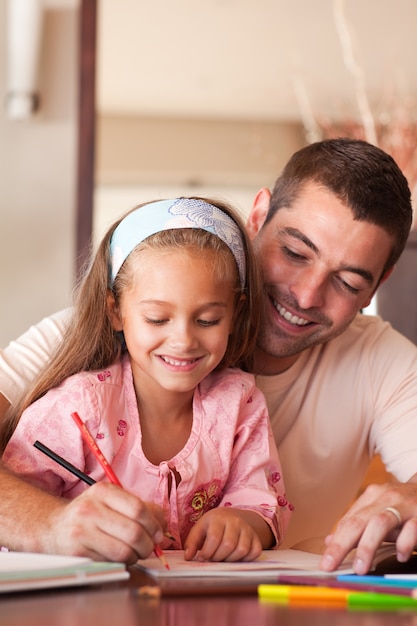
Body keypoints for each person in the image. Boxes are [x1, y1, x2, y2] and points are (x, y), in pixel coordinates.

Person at [1, 138, 416, 574]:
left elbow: (261, 502)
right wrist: (52, 523)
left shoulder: (374, 362)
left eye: (348, 282)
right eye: (294, 253)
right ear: (258, 217)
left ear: (380, 282)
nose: (307, 295)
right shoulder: (88, 343)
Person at [0, 197, 291, 563]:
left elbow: (263, 500)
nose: (184, 340)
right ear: (116, 311)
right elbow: (14, 523)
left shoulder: (239, 401)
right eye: (157, 319)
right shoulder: (78, 406)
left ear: (236, 314)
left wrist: (243, 522)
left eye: (207, 320)